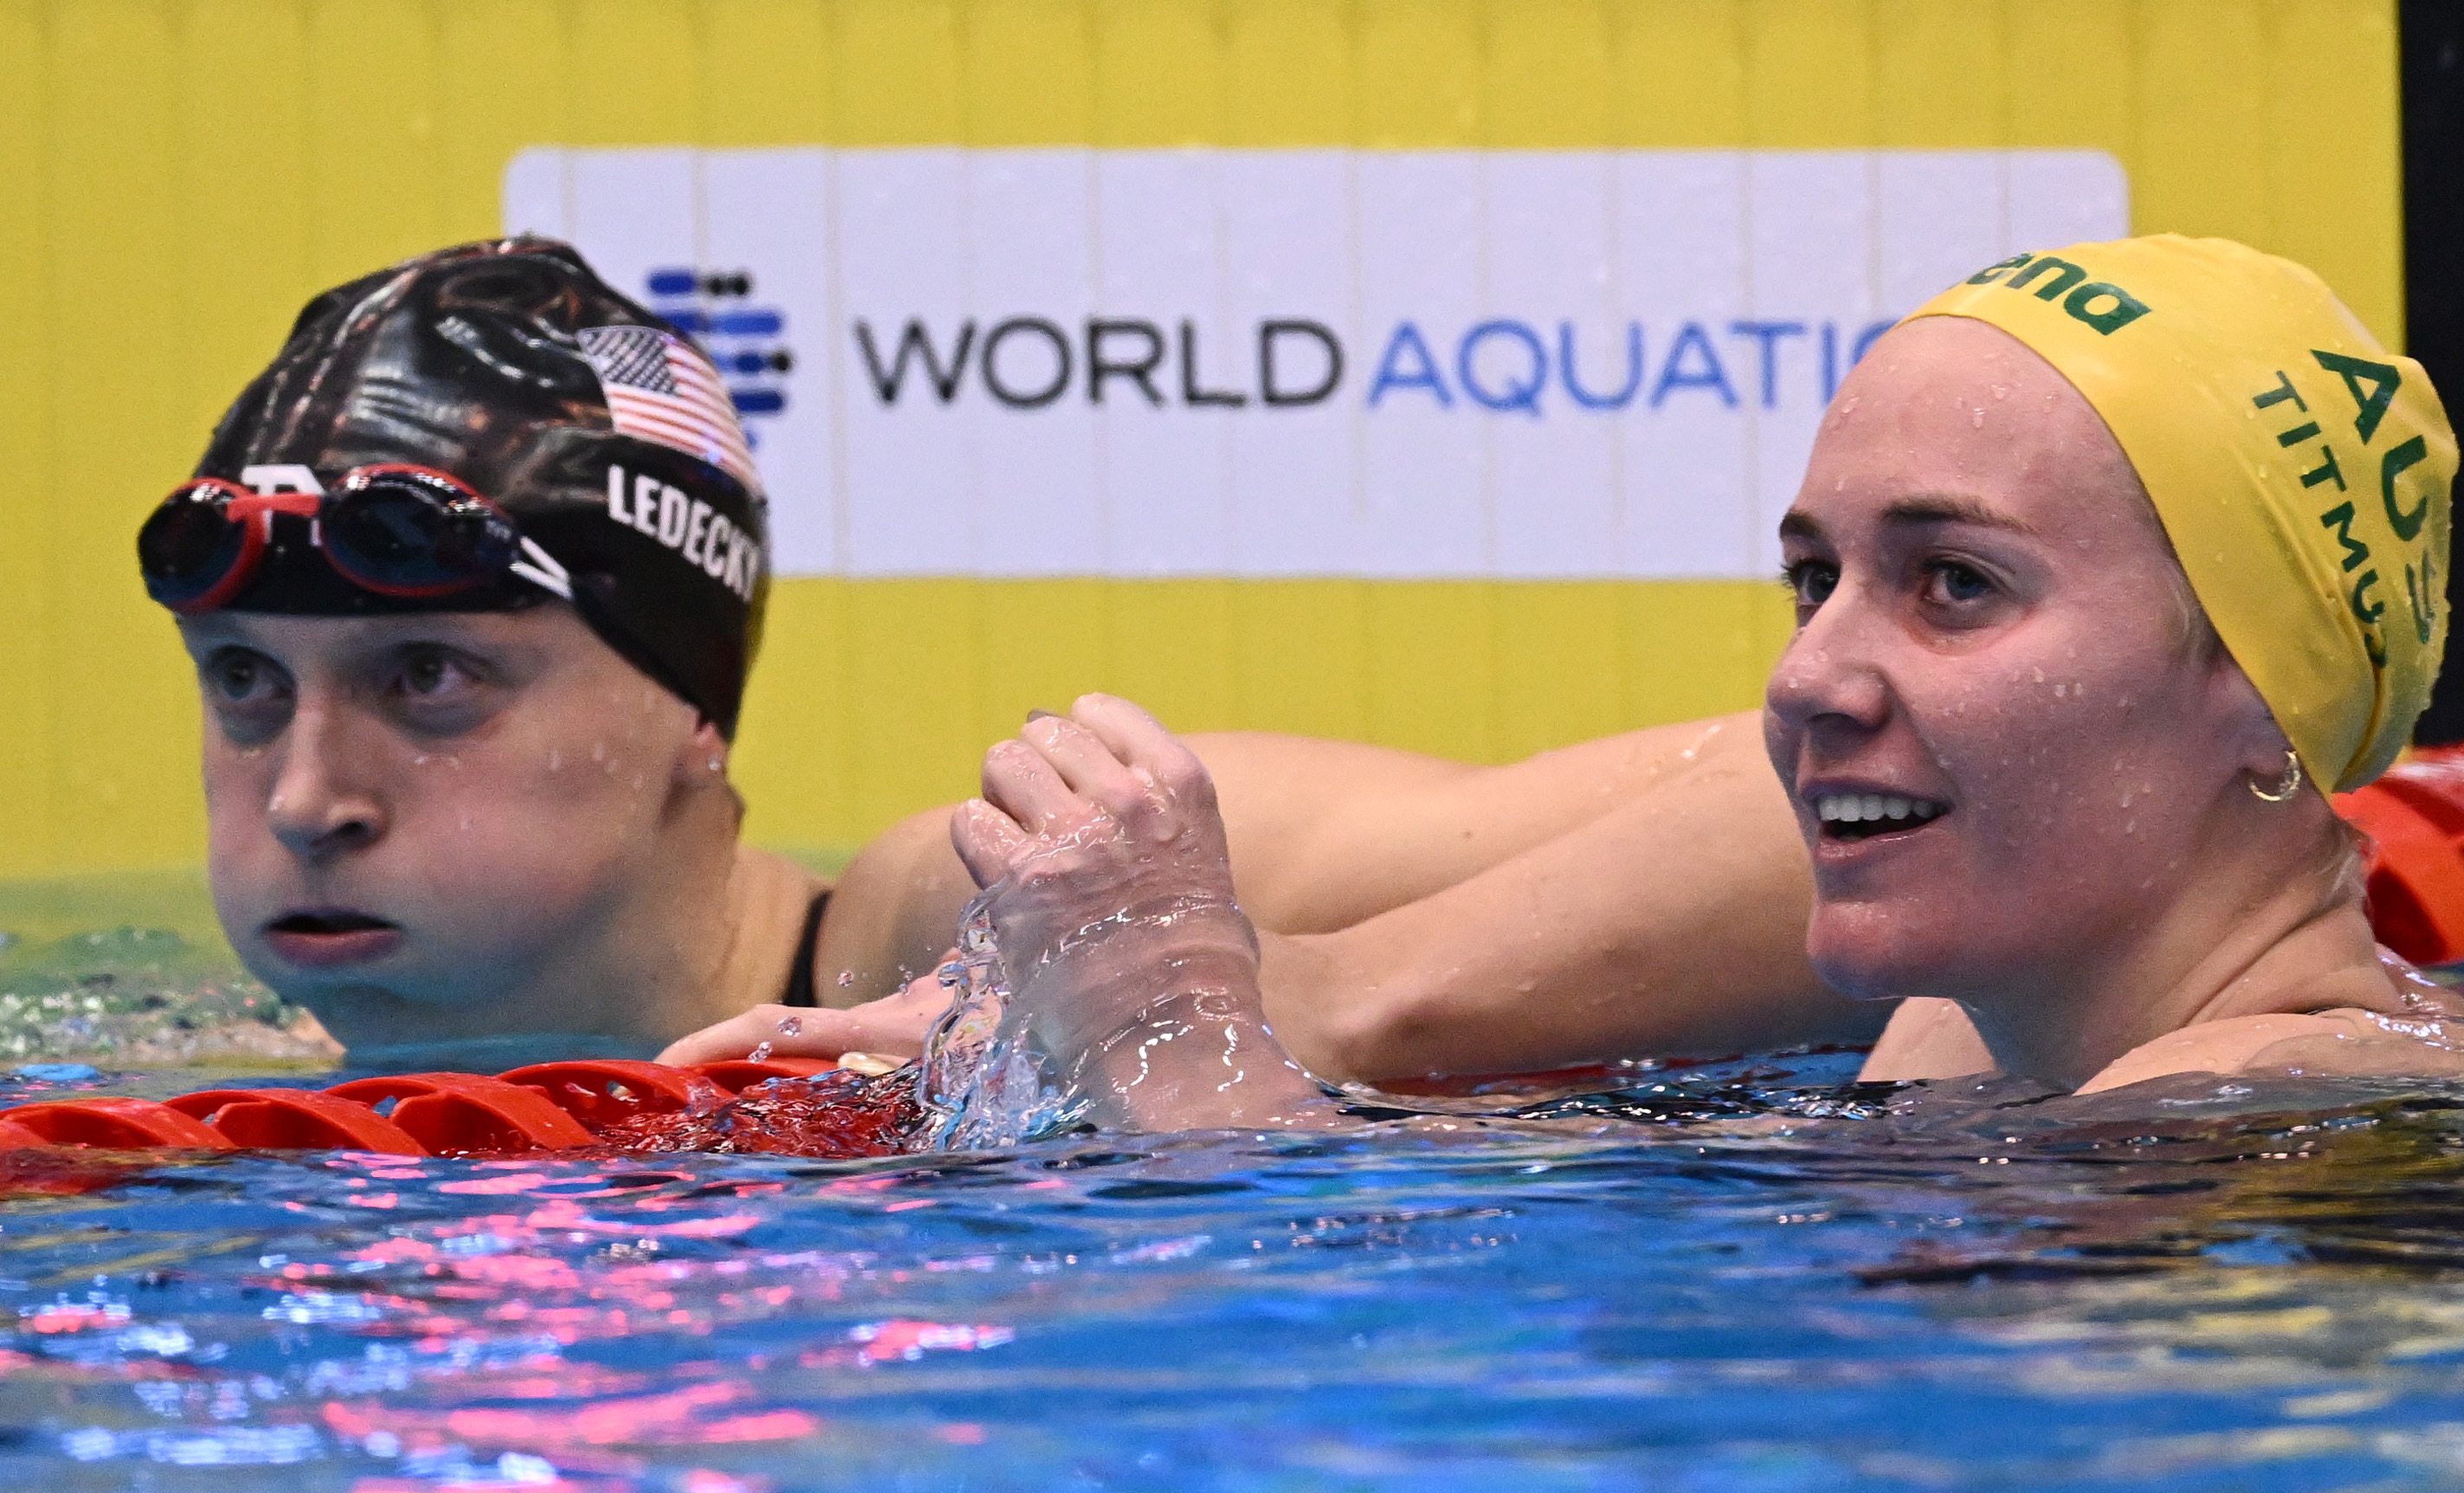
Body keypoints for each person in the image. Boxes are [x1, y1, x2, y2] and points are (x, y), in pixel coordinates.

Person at [929, 236, 2464, 1133]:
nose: (1811, 674)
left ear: (2257, 692)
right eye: (1814, 577)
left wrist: (1181, 1048)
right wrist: (1042, 1028)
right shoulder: (1976, 1041)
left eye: (1957, 584)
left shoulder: (2251, 1132)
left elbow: (1361, 1418)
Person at [158, 241, 1872, 1074]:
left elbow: (1848, 794)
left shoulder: (987, 911)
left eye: (427, 682)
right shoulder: (199, 1093)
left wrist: (1274, 1009)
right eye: (247, 682)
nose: (308, 795)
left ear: (692, 701)